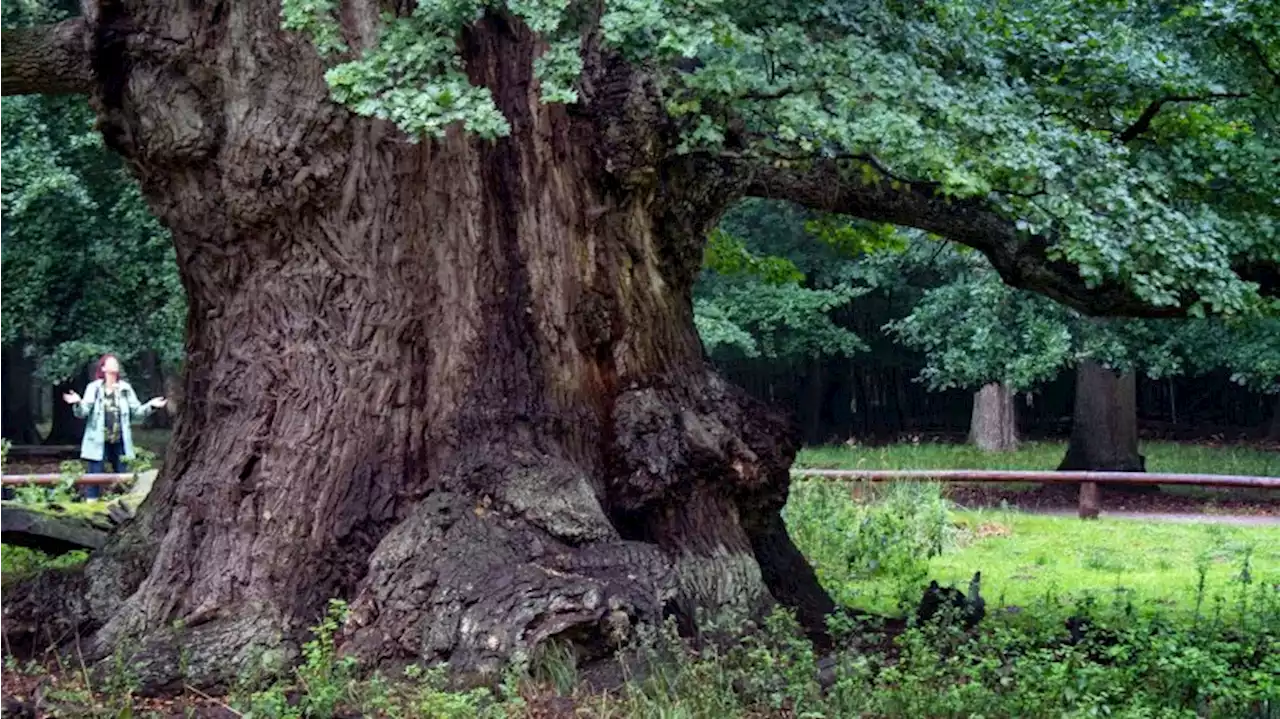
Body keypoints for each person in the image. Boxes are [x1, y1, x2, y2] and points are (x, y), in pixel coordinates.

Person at [62, 354, 166, 499]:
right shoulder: (94, 388)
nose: (115, 365)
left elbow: (137, 413)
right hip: (98, 440)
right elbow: (83, 412)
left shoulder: (125, 388)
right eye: (111, 362)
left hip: (120, 439)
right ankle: (92, 503)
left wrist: (151, 405)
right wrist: (77, 402)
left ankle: (123, 502)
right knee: (94, 474)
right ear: (103, 368)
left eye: (116, 362)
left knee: (123, 475)